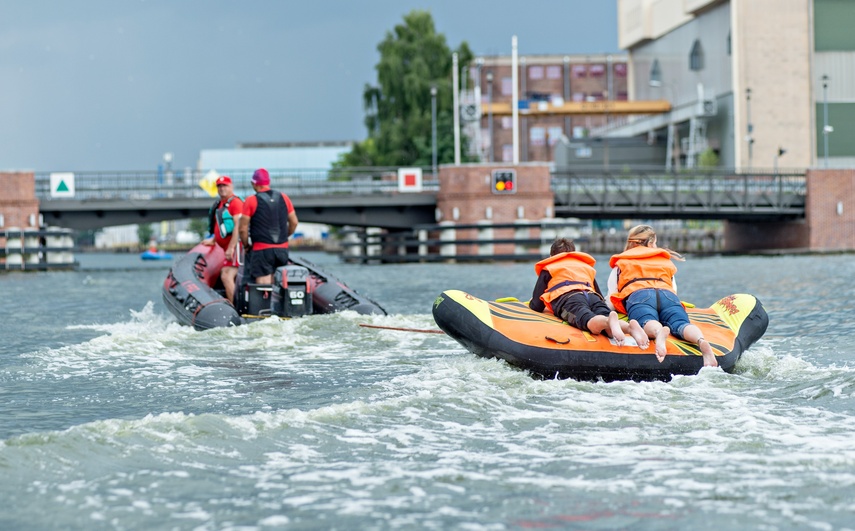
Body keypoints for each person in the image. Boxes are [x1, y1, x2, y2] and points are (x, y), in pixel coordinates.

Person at [607, 225, 717, 367]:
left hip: (639, 295)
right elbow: (674, 289)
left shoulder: (621, 263)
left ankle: (659, 332)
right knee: (682, 324)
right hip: (668, 296)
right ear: (651, 243)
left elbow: (611, 298)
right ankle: (701, 341)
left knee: (646, 321)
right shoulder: (665, 261)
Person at [530, 237, 647, 347]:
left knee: (588, 320)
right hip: (592, 296)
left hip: (570, 299)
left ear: (552, 256)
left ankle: (608, 321)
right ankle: (629, 328)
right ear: (574, 254)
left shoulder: (550, 268)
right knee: (604, 318)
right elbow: (600, 295)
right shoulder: (584, 266)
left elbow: (536, 305)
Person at [239, 168, 299, 284]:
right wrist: (285, 235)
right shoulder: (284, 197)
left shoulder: (251, 200)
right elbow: (294, 222)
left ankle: (264, 302)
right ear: (268, 182)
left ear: (254, 184)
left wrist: (246, 245)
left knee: (263, 281)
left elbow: (242, 229)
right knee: (280, 280)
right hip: (282, 249)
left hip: (262, 250)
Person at [201, 175, 243, 303]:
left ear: (231, 186)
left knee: (226, 275)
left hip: (236, 246)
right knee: (228, 275)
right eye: (219, 186)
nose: (222, 188)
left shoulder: (235, 203)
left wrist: (231, 247)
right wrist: (214, 240)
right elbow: (219, 226)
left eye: (225, 185)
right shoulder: (219, 205)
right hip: (229, 247)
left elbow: (239, 226)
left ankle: (235, 308)